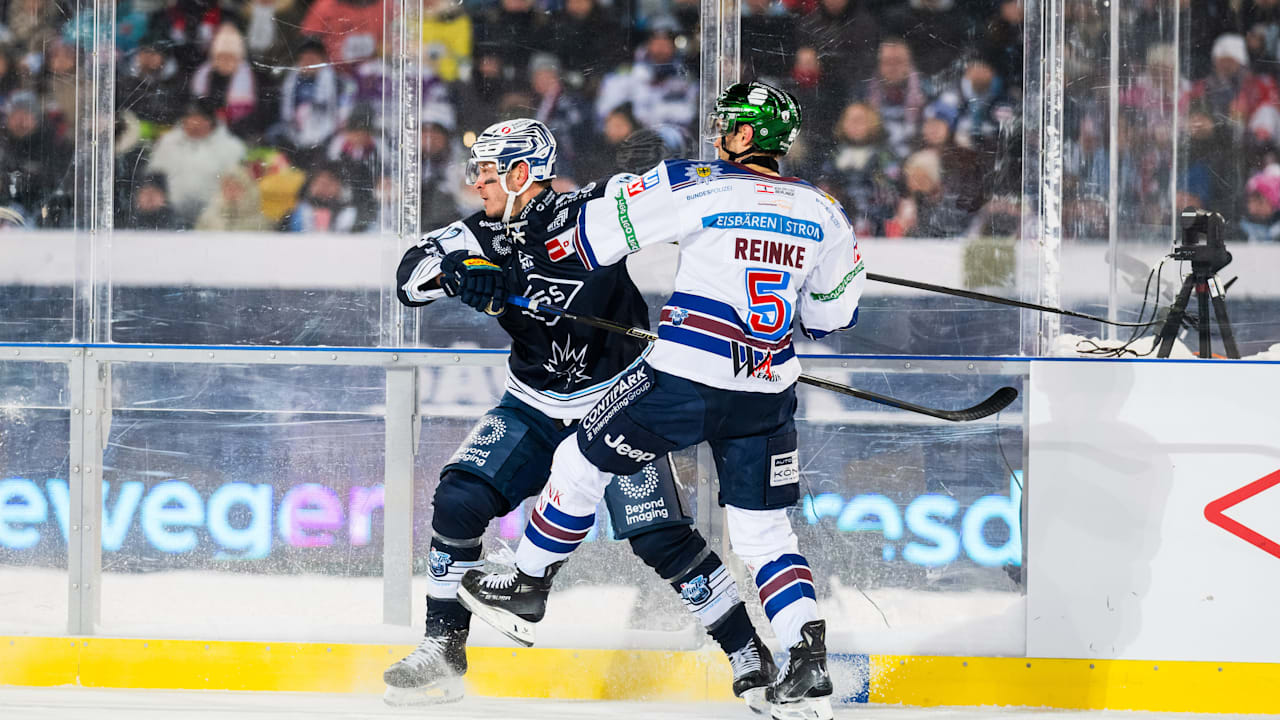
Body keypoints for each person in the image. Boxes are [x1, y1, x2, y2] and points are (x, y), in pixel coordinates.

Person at [458, 82, 864, 720]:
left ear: (744, 136)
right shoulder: (825, 210)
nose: (719, 134)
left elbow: (585, 243)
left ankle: (529, 583)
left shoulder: (695, 182)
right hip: (766, 389)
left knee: (578, 462)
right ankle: (807, 659)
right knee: (763, 533)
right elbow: (832, 313)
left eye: (728, 125)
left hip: (683, 378)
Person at [383, 118, 777, 712]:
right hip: (534, 405)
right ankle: (444, 645)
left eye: (488, 174)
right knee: (458, 498)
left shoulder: (590, 209)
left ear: (522, 175)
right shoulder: (478, 233)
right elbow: (409, 280)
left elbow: (663, 205)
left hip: (622, 401)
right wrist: (458, 273)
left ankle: (750, 653)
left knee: (660, 536)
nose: (478, 186)